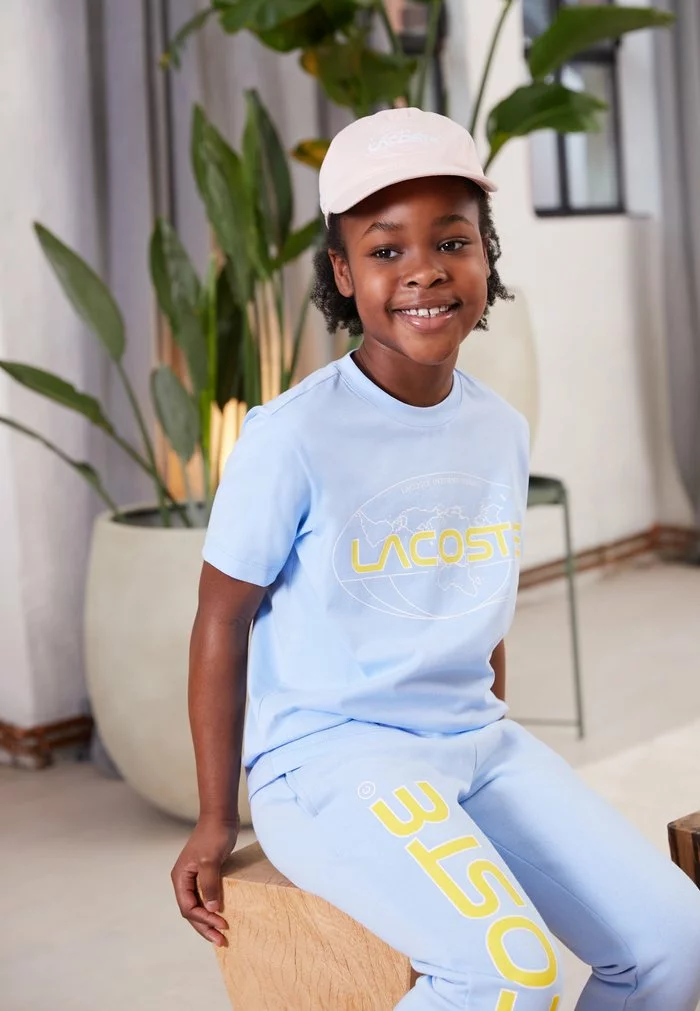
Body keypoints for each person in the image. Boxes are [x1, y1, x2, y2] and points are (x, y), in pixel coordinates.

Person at [171, 108, 700, 1010]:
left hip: (475, 742)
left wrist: (492, 733)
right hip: (331, 759)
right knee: (509, 971)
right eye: (386, 250)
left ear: (486, 256)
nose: (424, 269)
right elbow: (221, 618)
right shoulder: (292, 435)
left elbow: (473, 606)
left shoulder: (499, 428)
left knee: (677, 941)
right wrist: (215, 817)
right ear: (344, 274)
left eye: (452, 241)